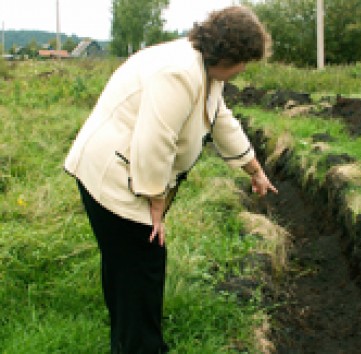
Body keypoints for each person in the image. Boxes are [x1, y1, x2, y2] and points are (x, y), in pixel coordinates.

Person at [64, 6, 277, 353]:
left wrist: (254, 169)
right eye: (245, 63)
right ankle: (140, 346)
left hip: (123, 171)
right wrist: (156, 202)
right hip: (115, 176)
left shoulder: (203, 68)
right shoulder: (179, 71)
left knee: (126, 266)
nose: (242, 71)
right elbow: (154, 141)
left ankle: (126, 340)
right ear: (230, 54)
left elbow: (220, 119)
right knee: (141, 267)